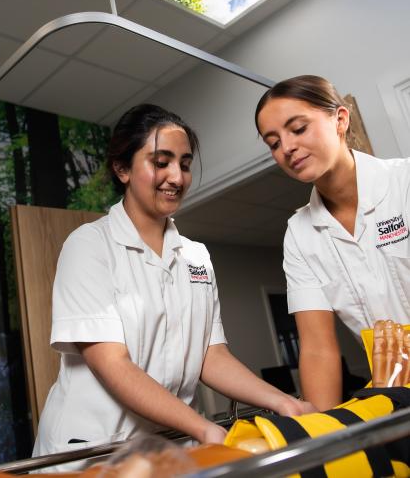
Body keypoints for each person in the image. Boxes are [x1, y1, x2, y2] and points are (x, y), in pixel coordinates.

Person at [33, 103, 315, 469]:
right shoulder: (88, 246)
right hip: (95, 450)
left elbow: (210, 357)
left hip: (167, 447)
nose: (177, 177)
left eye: (184, 163)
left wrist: (284, 402)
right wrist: (202, 428)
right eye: (161, 161)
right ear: (122, 168)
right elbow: (112, 364)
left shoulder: (196, 256)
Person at [255, 75, 410, 411]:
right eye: (273, 142)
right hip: (396, 393)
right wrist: (323, 439)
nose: (287, 148)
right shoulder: (299, 234)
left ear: (340, 119)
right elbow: (317, 348)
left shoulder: (404, 183)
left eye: (297, 129)